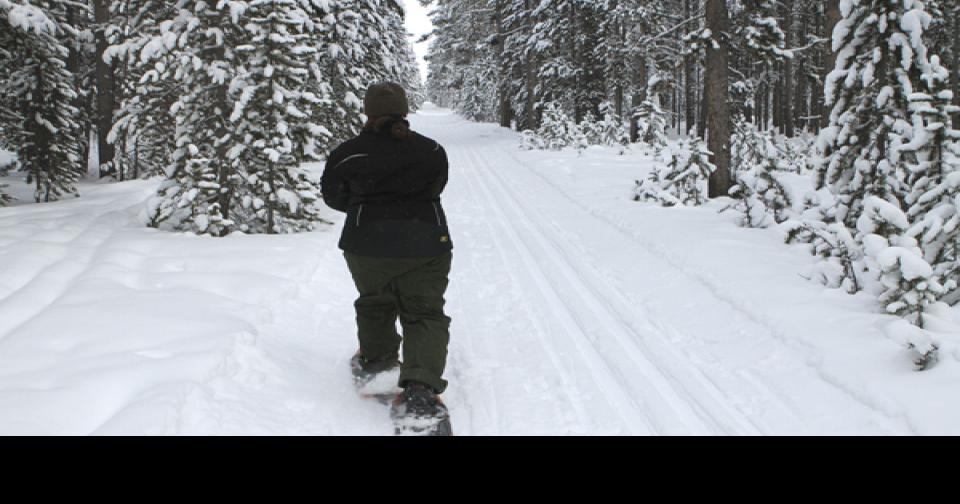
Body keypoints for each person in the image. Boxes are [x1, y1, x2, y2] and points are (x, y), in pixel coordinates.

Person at [321, 83, 454, 423]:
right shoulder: (432, 150)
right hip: (426, 243)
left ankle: (379, 365)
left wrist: (368, 208)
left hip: (368, 245)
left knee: (375, 302)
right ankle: (421, 388)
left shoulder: (348, 153)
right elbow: (436, 187)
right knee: (424, 313)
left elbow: (333, 196)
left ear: (368, 112)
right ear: (404, 111)